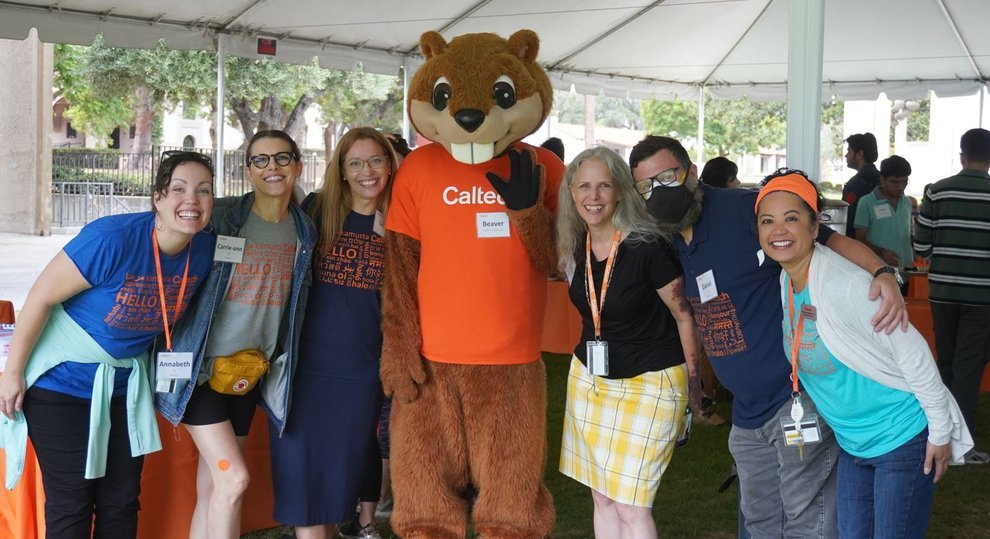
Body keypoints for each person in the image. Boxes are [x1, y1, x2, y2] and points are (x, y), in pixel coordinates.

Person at [628, 135, 907, 538]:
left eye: (668, 176)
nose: (658, 191)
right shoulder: (668, 235)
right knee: (760, 521)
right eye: (646, 186)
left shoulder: (746, 209)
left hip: (794, 395)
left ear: (691, 172)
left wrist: (882, 273)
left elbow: (827, 238)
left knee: (807, 518)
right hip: (747, 413)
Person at [0, 151, 216, 537]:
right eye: (179, 189)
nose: (192, 201)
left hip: (124, 390)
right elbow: (40, 298)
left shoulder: (204, 249)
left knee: (121, 500)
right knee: (72, 503)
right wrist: (13, 373)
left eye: (204, 191)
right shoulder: (112, 238)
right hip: (60, 388)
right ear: (158, 197)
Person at [755, 170, 973, 537]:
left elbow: (913, 353)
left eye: (791, 219)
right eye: (767, 221)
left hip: (901, 438)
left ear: (814, 228)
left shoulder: (846, 285)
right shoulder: (786, 279)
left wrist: (939, 431)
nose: (779, 230)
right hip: (854, 443)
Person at [155, 130, 317, 539]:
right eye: (260, 160)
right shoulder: (222, 216)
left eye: (282, 158)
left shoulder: (304, 231)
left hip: (247, 375)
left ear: (297, 165)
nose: (272, 168)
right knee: (234, 480)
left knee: (214, 485)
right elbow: (165, 232)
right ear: (247, 170)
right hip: (199, 374)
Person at [556, 146, 700, 538]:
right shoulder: (575, 246)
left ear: (621, 191)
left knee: (632, 505)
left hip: (650, 384)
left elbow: (683, 314)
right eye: (584, 186)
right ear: (571, 192)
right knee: (602, 498)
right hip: (589, 382)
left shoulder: (646, 245)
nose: (594, 196)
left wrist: (693, 385)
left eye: (605, 185)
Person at [268, 128, 397, 539]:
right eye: (355, 163)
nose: (366, 171)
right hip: (307, 361)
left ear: (390, 165)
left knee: (343, 465)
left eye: (376, 160)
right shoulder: (318, 210)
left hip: (363, 366)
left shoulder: (403, 219)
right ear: (341, 170)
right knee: (302, 460)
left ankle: (349, 523)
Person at [914, 127, 990, 465]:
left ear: (962, 155)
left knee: (944, 363)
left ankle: (938, 433)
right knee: (968, 368)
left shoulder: (937, 191)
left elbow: (922, 247)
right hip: (982, 296)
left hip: (942, 291)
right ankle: (962, 446)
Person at [854, 155, 914, 292]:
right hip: (877, 273)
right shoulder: (866, 202)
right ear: (882, 179)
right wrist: (880, 251)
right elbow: (859, 239)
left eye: (905, 182)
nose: (900, 187)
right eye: (894, 182)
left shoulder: (907, 203)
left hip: (905, 273)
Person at [841, 132, 881, 236]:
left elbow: (850, 220)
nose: (846, 155)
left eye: (849, 151)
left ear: (859, 154)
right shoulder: (882, 179)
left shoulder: (856, 184)